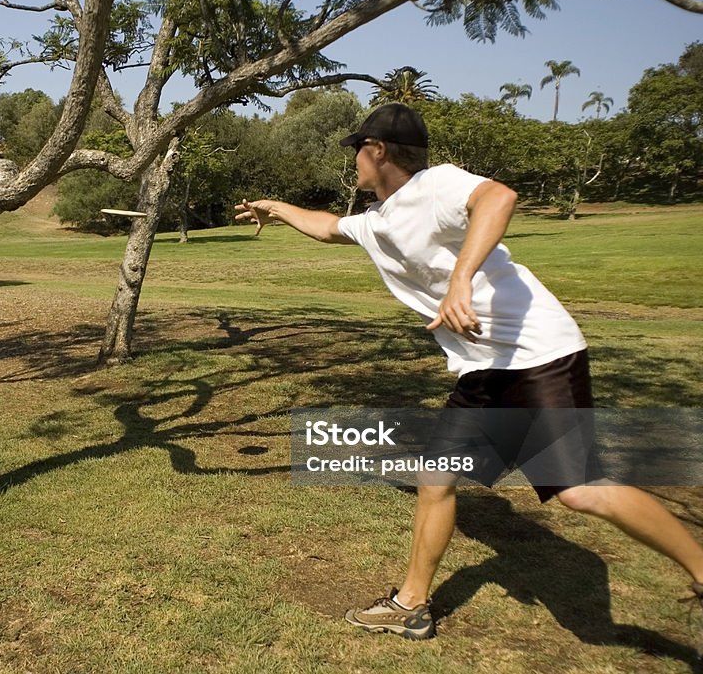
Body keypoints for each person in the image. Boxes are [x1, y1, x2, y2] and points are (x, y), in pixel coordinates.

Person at [235, 103, 703, 642]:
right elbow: (326, 228)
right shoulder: (381, 218)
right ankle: (410, 605)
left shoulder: (438, 185)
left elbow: (498, 197)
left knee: (579, 491)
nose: (355, 162)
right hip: (483, 370)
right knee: (436, 477)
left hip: (538, 356)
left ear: (378, 150)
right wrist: (274, 206)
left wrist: (461, 280)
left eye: (358, 150)